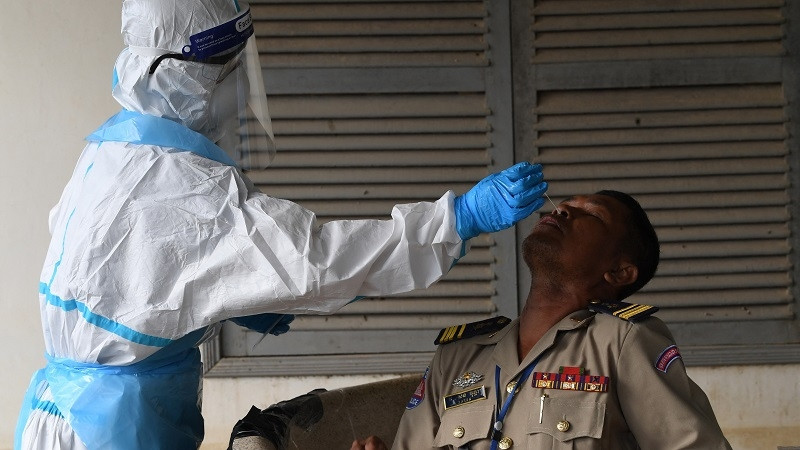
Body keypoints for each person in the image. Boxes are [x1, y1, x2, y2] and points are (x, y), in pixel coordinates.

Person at [14, 1, 548, 449]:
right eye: (224, 71)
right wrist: (456, 219)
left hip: (64, 412)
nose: (232, 91)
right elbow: (321, 261)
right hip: (112, 429)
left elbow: (128, 283)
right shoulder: (186, 186)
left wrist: (217, 296)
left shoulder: (112, 151)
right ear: (183, 72)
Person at [355, 190, 731, 450]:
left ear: (618, 271)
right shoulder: (459, 355)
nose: (562, 210)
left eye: (593, 214)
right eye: (564, 204)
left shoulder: (621, 341)